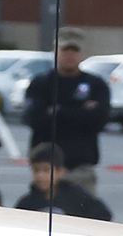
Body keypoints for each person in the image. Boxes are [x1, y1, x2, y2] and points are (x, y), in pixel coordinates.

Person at [22, 27, 110, 193]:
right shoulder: (41, 83)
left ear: (83, 53)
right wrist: (79, 111)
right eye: (65, 50)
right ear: (55, 52)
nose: (69, 56)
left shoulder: (96, 85)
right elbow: (33, 119)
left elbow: (99, 120)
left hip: (81, 169)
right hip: (45, 170)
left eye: (74, 51)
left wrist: (57, 111)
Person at [14, 142, 110, 219]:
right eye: (36, 170)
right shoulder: (27, 203)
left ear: (60, 171)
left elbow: (104, 215)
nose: (40, 175)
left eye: (46, 170)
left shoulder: (77, 196)